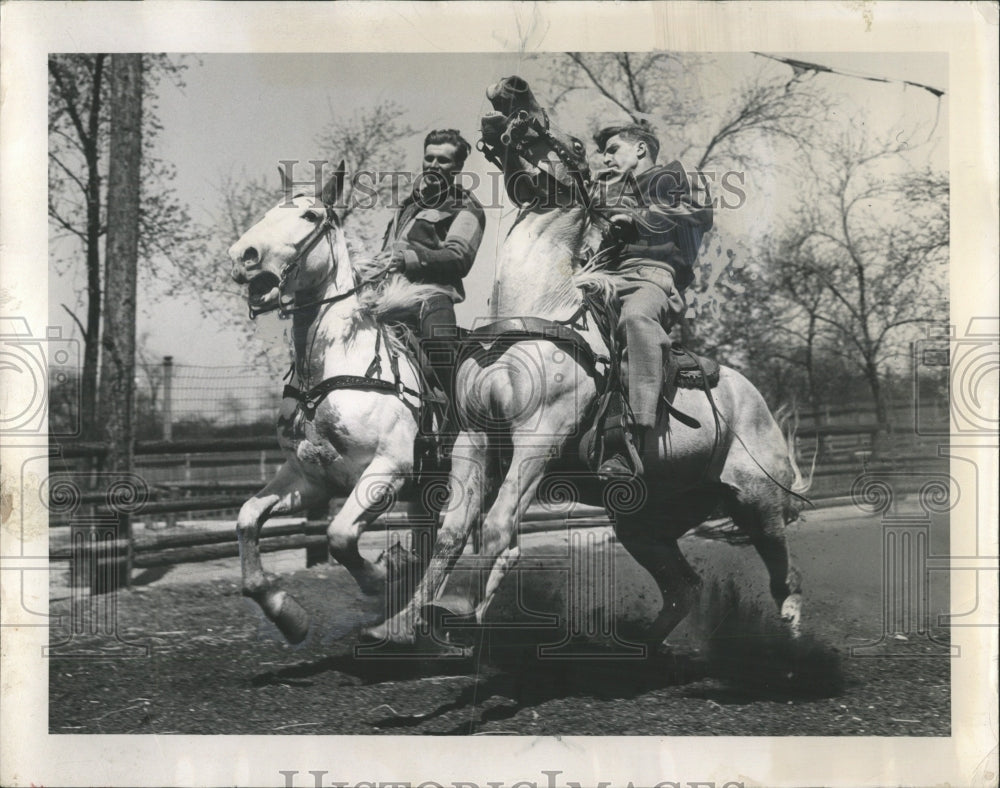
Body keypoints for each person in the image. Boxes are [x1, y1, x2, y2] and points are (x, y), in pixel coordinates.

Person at [591, 123, 714, 479]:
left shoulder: (673, 178)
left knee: (635, 320)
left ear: (641, 149)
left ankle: (632, 434)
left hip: (652, 276)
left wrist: (638, 218)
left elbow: (699, 215)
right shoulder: (609, 191)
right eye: (604, 153)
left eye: (613, 149)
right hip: (604, 280)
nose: (605, 158)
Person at [377, 129, 486, 397]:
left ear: (458, 166)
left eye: (443, 160)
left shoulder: (467, 206)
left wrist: (407, 259)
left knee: (439, 346)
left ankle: (461, 415)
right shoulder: (408, 205)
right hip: (387, 297)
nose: (434, 165)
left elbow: (459, 258)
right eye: (429, 158)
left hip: (431, 298)